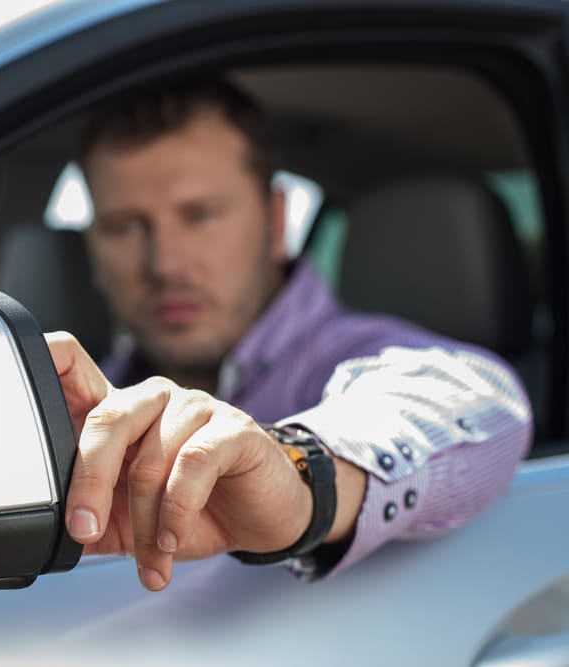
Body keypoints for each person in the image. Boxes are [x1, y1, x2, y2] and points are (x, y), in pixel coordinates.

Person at [44, 78, 532, 591]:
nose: (165, 263)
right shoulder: (78, 407)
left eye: (200, 215)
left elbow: (479, 399)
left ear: (276, 221)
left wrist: (301, 475)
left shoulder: (355, 359)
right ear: (92, 251)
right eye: (126, 226)